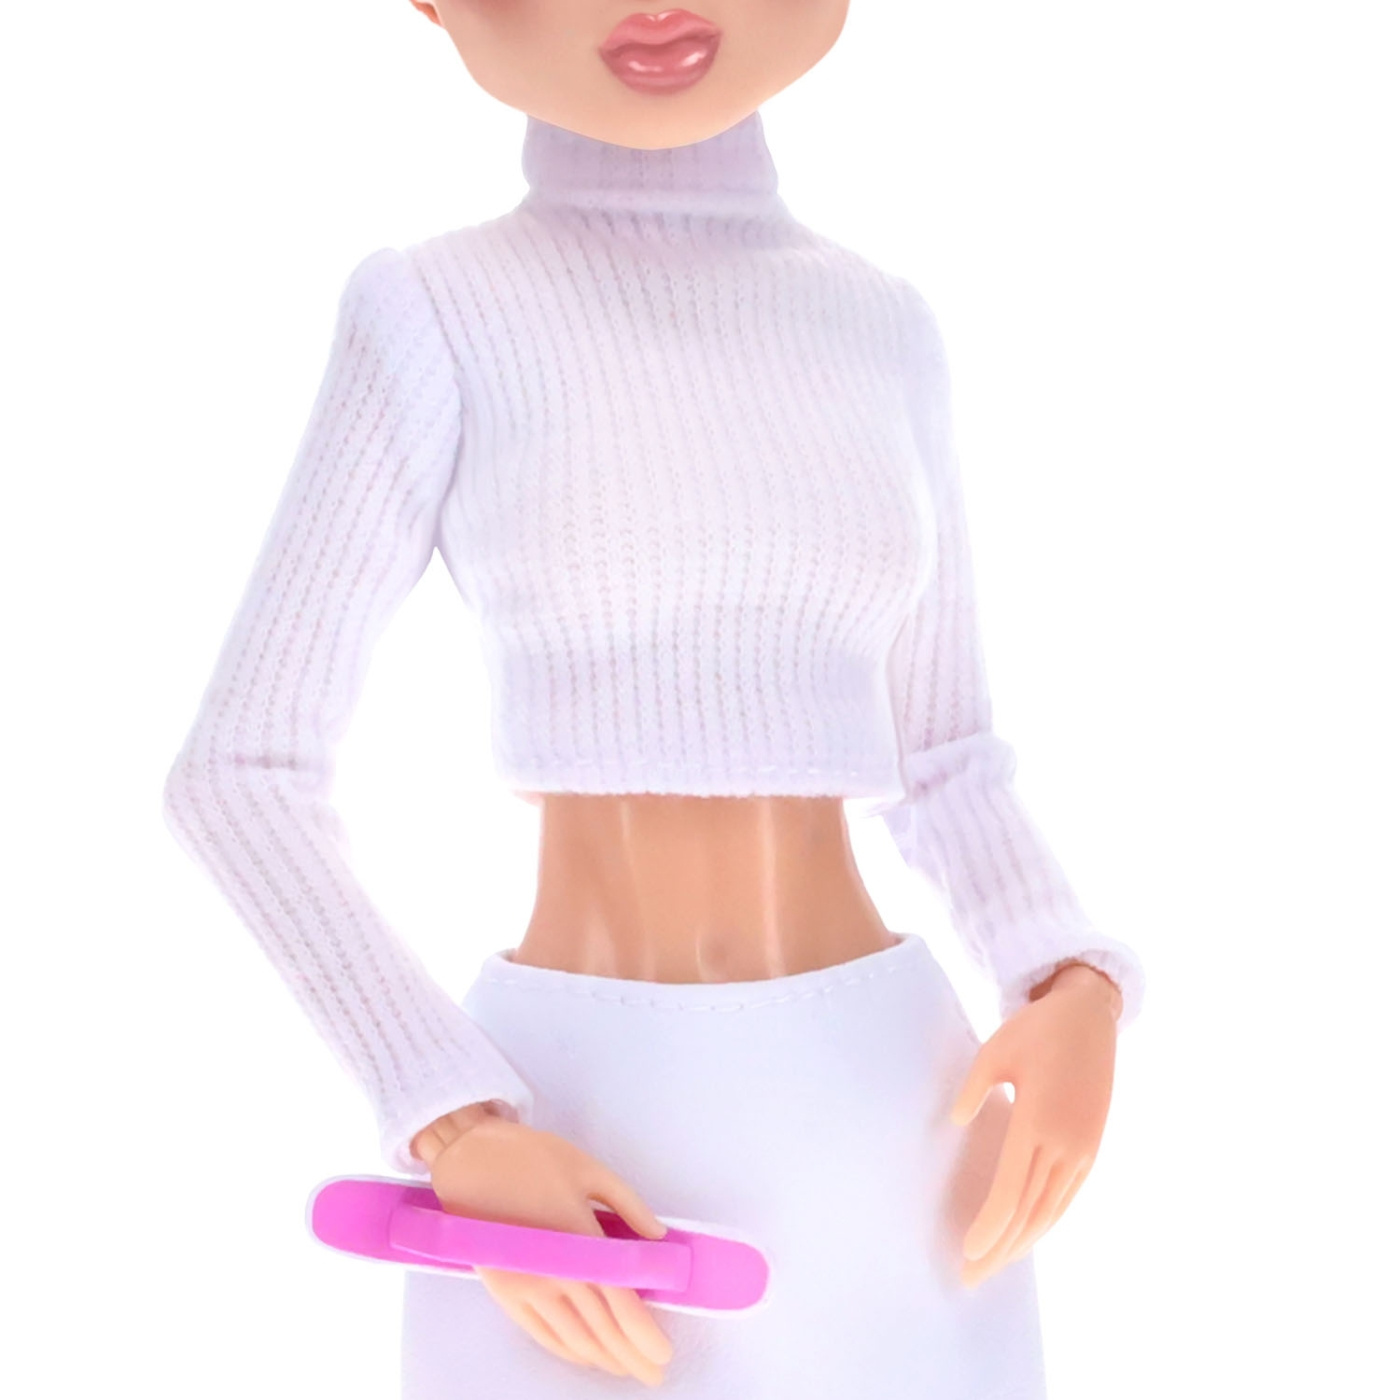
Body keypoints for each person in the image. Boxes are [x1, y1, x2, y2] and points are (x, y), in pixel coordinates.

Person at [162, 3, 1146, 1395]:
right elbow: (240, 777)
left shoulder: (881, 322)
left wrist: (1071, 981)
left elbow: (946, 756)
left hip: (900, 1122)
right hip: (580, 1142)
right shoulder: (439, 308)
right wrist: (453, 1115)